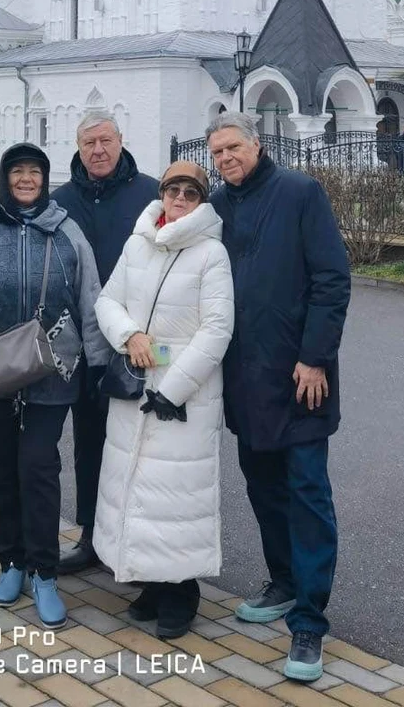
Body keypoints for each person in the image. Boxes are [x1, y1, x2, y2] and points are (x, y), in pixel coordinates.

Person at [0, 142, 108, 628]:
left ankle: (44, 572)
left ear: (44, 179)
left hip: (53, 371)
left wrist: (97, 364)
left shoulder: (67, 231)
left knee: (38, 468)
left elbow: (90, 300)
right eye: (18, 172)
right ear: (6, 178)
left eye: (34, 172)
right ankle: (10, 561)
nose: (26, 179)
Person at [208, 111, 350, 684]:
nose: (226, 159)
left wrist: (314, 356)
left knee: (307, 493)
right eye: (217, 153)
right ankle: (285, 581)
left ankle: (309, 621)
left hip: (299, 376)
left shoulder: (299, 193)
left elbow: (331, 278)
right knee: (263, 485)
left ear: (257, 144)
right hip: (244, 377)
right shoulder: (216, 206)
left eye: (233, 148)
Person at [92, 160, 233, 639]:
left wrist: (173, 391)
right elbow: (107, 301)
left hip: (183, 393)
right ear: (162, 194)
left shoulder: (211, 254)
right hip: (135, 383)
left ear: (202, 201)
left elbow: (217, 329)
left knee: (176, 496)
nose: (180, 199)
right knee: (138, 490)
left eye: (190, 193)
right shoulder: (138, 243)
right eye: (173, 190)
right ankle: (151, 582)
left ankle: (181, 592)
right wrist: (129, 335)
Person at [51, 111, 158, 572]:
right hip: (81, 343)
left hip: (137, 340)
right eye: (89, 143)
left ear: (120, 140)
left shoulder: (151, 194)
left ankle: (136, 539)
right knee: (90, 440)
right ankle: (92, 535)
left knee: (140, 442)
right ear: (78, 147)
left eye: (105, 140)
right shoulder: (60, 201)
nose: (98, 150)